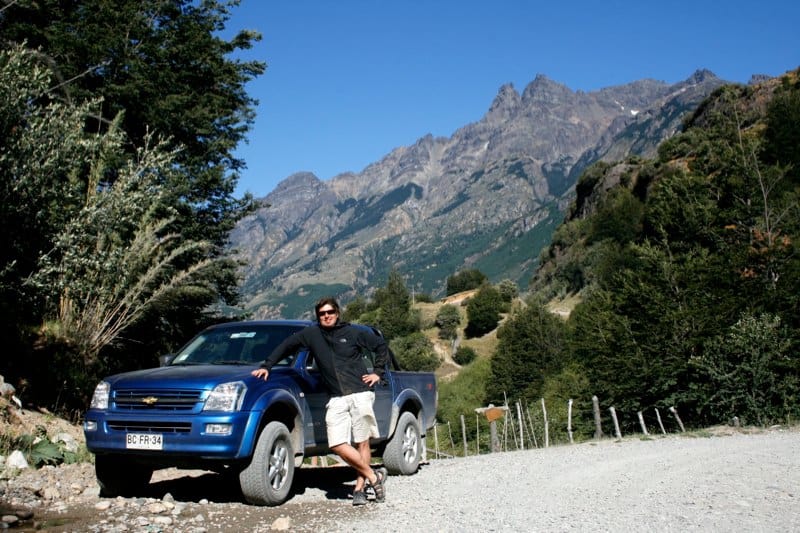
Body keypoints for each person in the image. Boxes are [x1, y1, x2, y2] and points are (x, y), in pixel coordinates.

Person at [251, 297, 388, 506]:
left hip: (360, 392)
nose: (326, 316)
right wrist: (267, 366)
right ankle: (374, 476)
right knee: (337, 444)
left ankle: (359, 488)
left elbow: (380, 345)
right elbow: (287, 345)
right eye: (322, 314)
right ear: (318, 316)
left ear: (337, 312)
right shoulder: (312, 334)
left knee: (362, 441)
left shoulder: (353, 332)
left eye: (330, 312)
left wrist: (377, 372)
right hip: (336, 397)